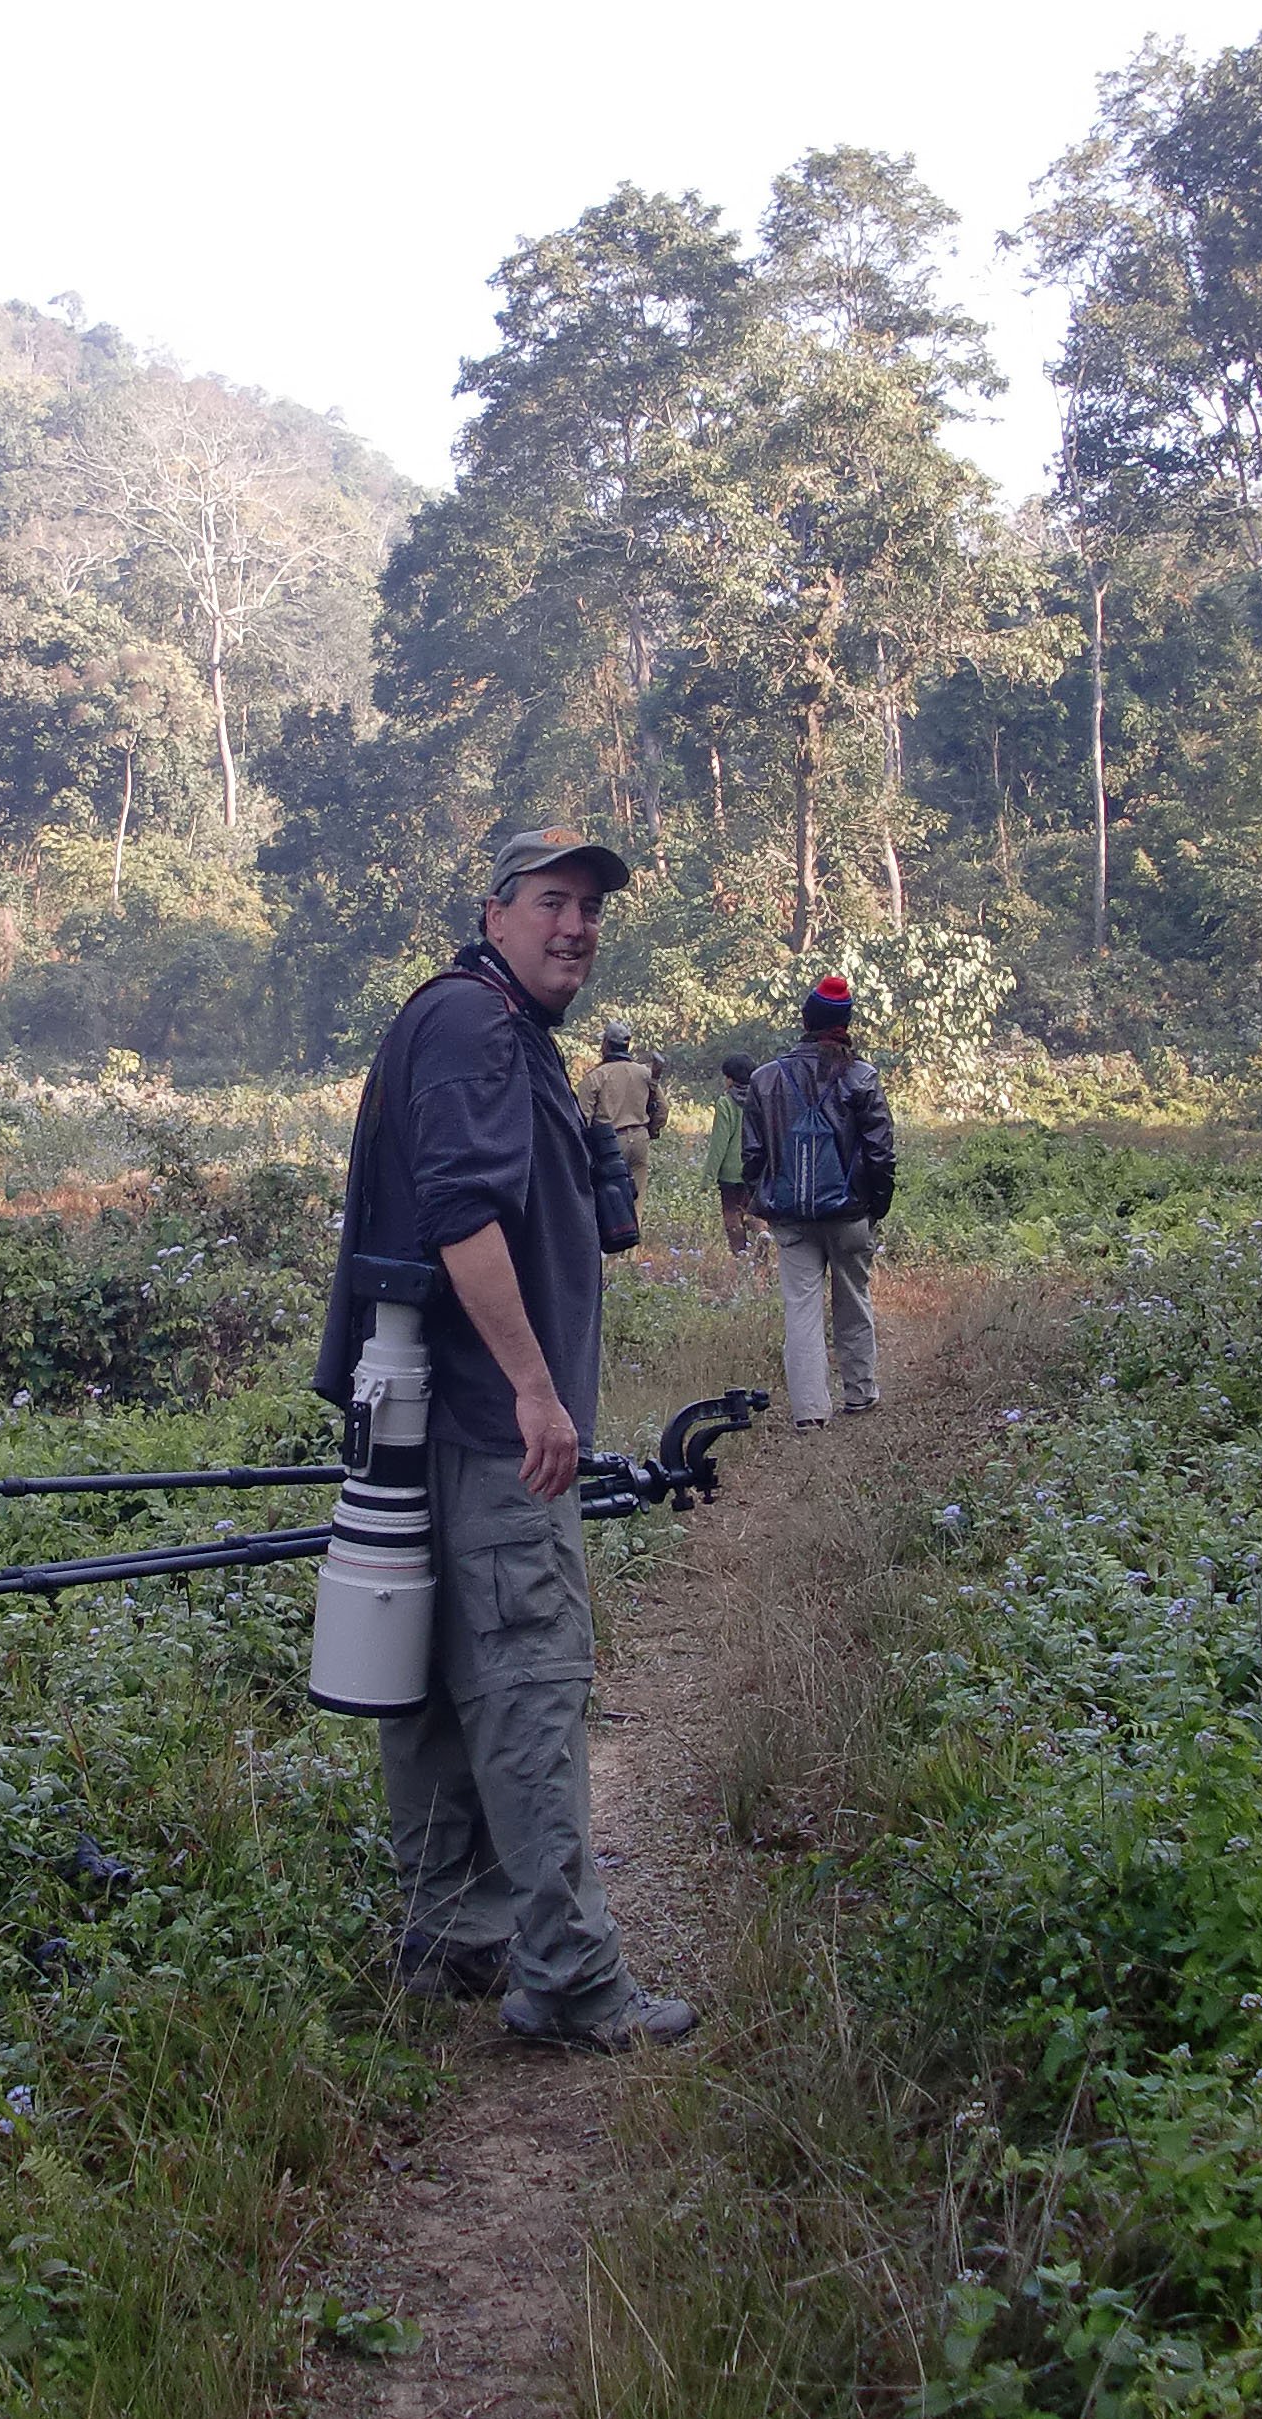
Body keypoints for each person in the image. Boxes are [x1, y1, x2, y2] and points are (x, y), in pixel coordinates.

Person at [314, 829, 699, 2053]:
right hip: (484, 1418)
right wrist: (539, 1392)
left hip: (419, 1411)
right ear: (496, 910)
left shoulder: (476, 1019)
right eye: (553, 902)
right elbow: (463, 1216)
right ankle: (574, 1980)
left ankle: (455, 1933)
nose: (576, 925)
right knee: (529, 1676)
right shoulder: (479, 1030)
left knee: (429, 1683)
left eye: (590, 908)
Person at [743, 974, 897, 1433]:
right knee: (853, 1298)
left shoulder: (765, 1078)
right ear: (845, 1024)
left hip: (790, 1215)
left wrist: (766, 1197)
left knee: (800, 1308)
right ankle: (860, 1391)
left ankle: (810, 1411)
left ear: (805, 1021)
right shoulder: (861, 1076)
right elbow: (880, 1152)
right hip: (850, 1213)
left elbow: (752, 1155)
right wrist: (877, 1206)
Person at [577, 1020, 666, 1207]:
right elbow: (662, 1109)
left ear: (606, 1045)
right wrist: (652, 1130)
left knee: (611, 1204)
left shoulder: (596, 1077)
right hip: (640, 1139)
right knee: (637, 1204)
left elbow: (583, 1119)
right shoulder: (644, 1073)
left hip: (609, 1144)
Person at [706, 1052, 757, 1255]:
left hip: (730, 1172)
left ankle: (740, 1253)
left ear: (730, 1079)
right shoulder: (760, 1100)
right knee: (753, 1208)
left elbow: (719, 1143)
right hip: (755, 1166)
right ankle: (762, 1231)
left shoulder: (725, 1103)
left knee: (731, 1214)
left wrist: (709, 1176)